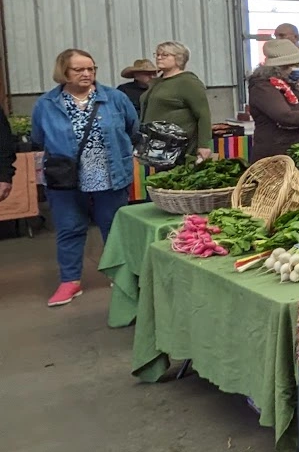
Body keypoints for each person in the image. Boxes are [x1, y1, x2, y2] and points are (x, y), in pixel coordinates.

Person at [33, 49, 141, 307]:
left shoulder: (115, 98)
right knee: (70, 229)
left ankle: (121, 275)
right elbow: (38, 137)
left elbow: (132, 128)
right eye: (78, 69)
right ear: (63, 72)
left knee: (114, 228)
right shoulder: (46, 104)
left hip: (110, 175)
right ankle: (70, 281)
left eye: (90, 69)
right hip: (65, 179)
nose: (86, 74)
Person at [247, 39, 299, 163]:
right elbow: (285, 116)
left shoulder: (297, 86)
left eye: (298, 65)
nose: (297, 69)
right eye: (292, 66)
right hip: (276, 156)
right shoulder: (263, 87)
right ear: (277, 68)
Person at [141, 42, 212, 161]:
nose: (159, 58)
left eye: (165, 55)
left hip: (179, 146)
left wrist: (204, 145)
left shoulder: (188, 82)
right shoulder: (157, 82)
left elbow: (203, 114)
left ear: (179, 58)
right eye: (157, 54)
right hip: (158, 144)